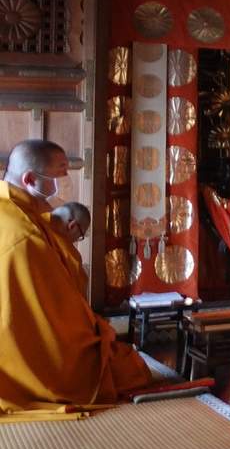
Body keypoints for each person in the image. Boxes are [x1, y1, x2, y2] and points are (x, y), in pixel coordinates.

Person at [0, 139, 152, 421]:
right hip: (16, 359)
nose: (64, 183)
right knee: (130, 370)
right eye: (58, 175)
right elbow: (56, 325)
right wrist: (97, 333)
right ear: (30, 180)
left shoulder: (19, 213)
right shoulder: (25, 237)